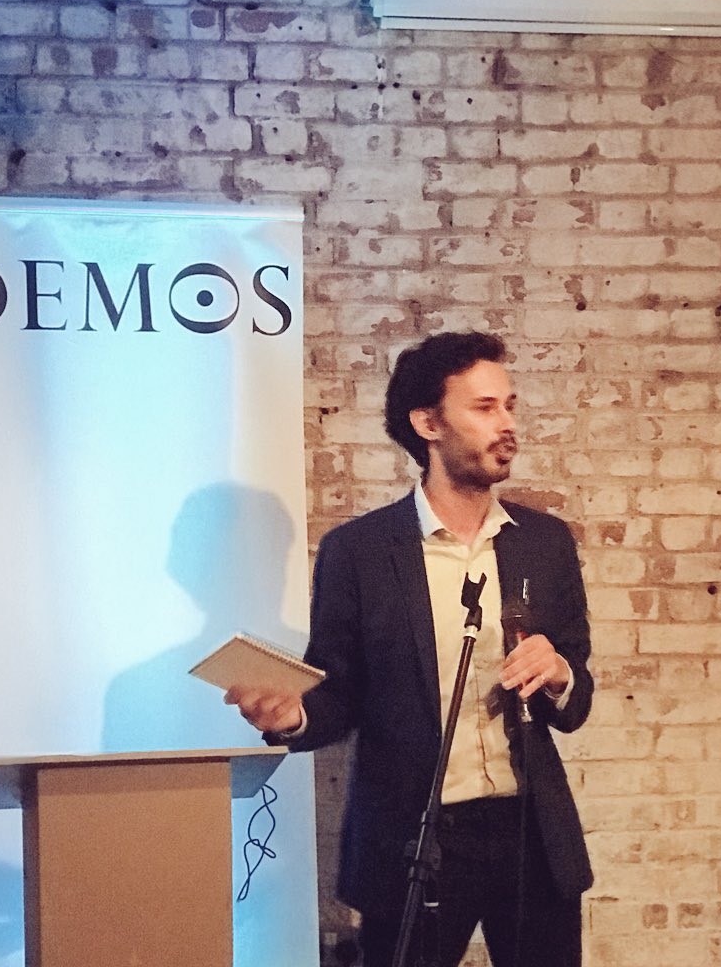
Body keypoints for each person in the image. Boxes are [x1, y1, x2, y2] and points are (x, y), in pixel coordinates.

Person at [226, 331, 593, 967]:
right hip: (414, 839)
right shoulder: (360, 552)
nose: (507, 423)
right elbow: (339, 694)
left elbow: (576, 697)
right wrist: (294, 715)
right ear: (428, 424)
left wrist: (560, 674)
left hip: (530, 834)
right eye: (484, 408)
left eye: (509, 405)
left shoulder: (545, 543)